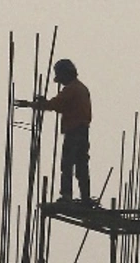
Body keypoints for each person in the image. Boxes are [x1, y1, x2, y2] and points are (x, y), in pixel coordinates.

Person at [16, 59, 92, 203]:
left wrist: (31, 104)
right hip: (83, 131)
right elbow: (61, 106)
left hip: (74, 131)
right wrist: (43, 103)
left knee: (68, 163)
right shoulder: (81, 88)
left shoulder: (72, 89)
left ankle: (67, 195)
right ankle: (85, 197)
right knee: (81, 164)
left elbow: (55, 104)